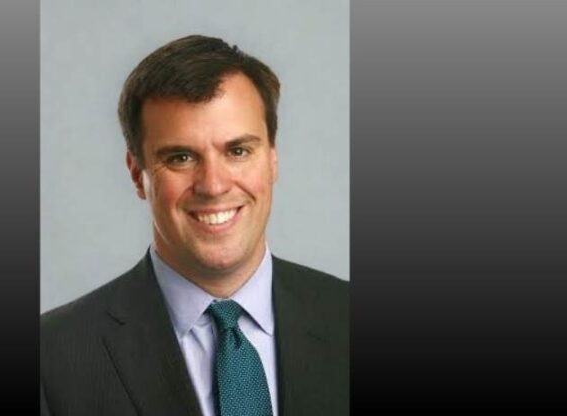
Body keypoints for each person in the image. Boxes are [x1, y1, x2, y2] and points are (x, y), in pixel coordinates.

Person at [40, 35, 349, 416]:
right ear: (138, 175)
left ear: (272, 160)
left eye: (238, 151)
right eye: (181, 157)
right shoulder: (51, 359)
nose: (214, 185)